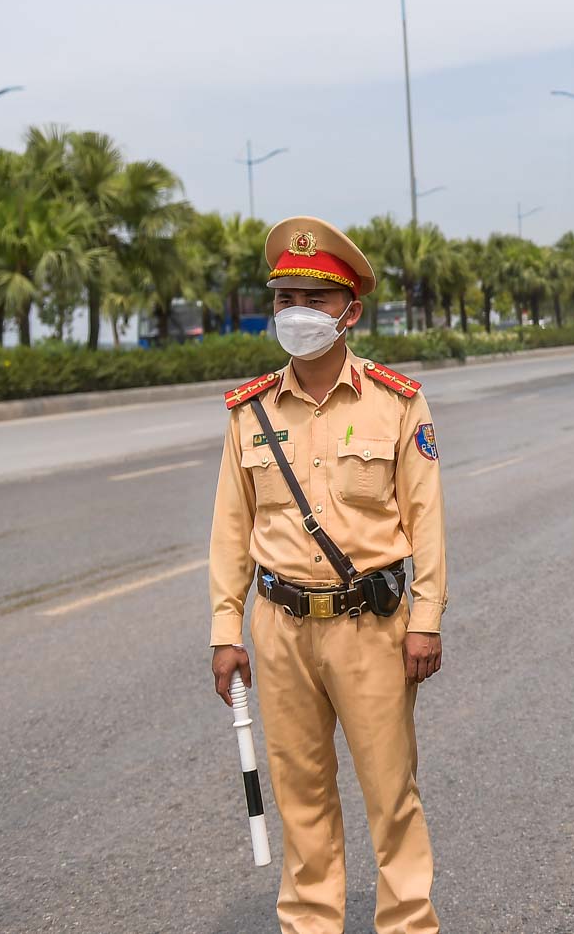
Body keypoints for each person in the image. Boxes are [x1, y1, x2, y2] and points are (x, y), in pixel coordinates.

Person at [208, 216, 447, 934]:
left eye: (313, 298)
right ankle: (310, 924)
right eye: (284, 298)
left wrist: (427, 619)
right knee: (300, 797)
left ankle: (407, 923)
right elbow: (229, 532)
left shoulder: (397, 402)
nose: (297, 313)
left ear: (351, 312)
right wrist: (227, 629)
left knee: (390, 793)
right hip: (278, 630)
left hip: (371, 626)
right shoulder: (248, 412)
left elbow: (427, 520)